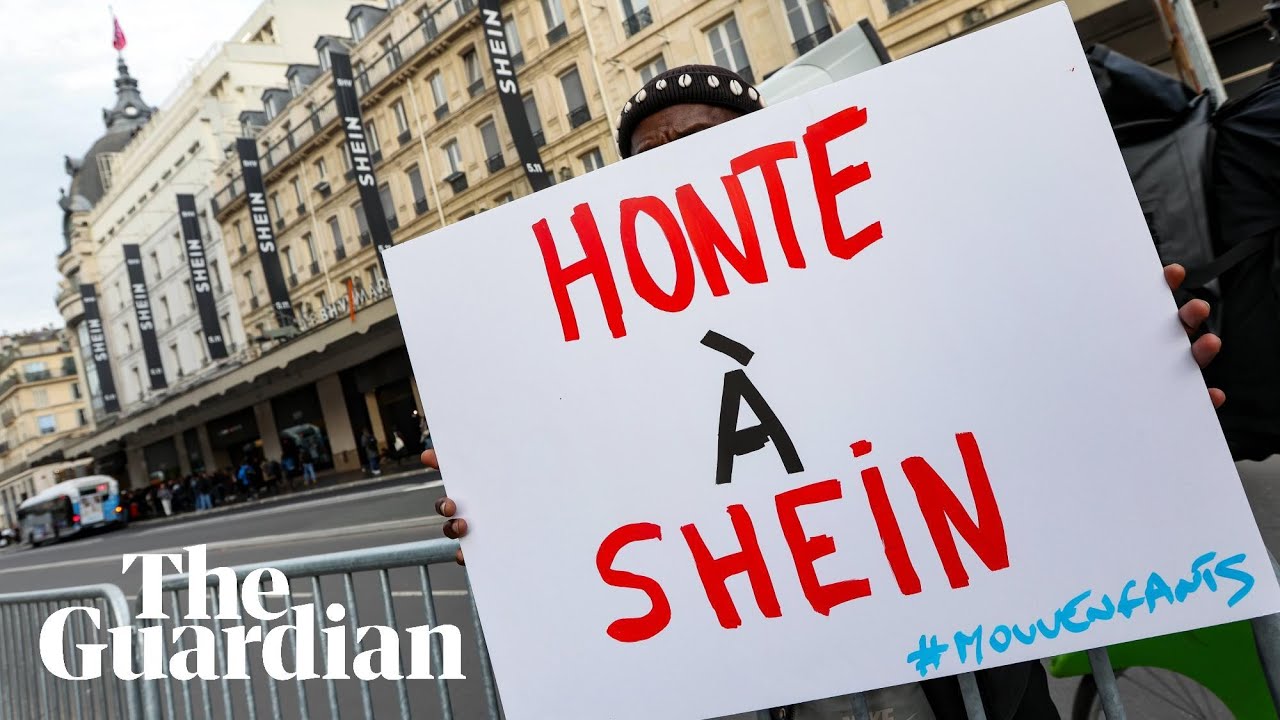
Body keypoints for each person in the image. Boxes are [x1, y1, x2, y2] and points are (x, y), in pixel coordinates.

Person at [426, 64, 1227, 720]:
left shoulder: (895, 266)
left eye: (702, 141)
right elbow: (587, 471)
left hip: (963, 667)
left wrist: (1136, 364)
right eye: (652, 157)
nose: (679, 166)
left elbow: (1007, 368)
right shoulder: (614, 347)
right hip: (793, 683)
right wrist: (502, 513)